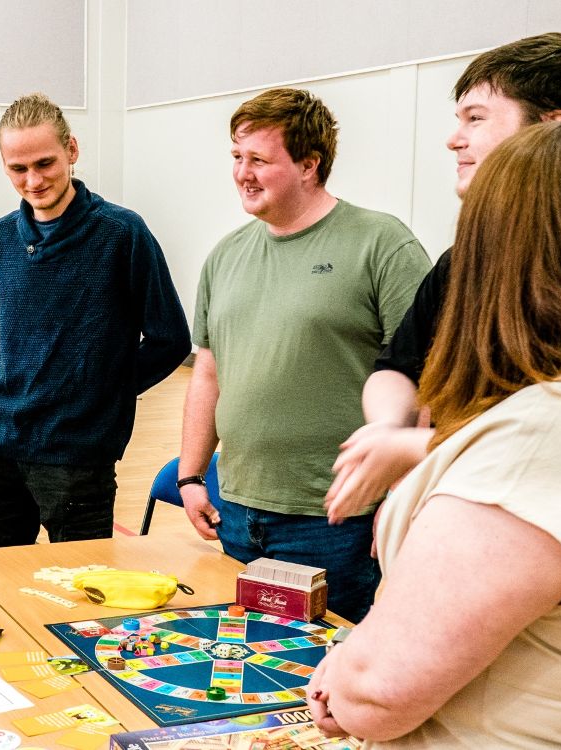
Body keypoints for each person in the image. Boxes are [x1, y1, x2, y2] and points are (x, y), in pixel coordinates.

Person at [306, 119, 561, 748]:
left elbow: (375, 692)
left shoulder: (549, 432)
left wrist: (342, 671)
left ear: (492, 259)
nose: (455, 137)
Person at [326, 33, 561, 520]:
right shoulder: (462, 262)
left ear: (552, 129)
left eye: (475, 118)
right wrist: (388, 431)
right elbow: (399, 367)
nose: (453, 139)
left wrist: (418, 448)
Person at [179, 88, 430, 622]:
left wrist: (403, 490)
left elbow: (429, 374)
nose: (243, 173)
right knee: (245, 665)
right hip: (237, 508)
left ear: (310, 165)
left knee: (319, 681)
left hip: (336, 517)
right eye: (237, 157)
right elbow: (208, 373)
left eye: (260, 160)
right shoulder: (226, 255)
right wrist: (192, 476)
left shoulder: (381, 244)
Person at [0, 92, 191, 549]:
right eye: (18, 169)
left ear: (72, 150)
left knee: (79, 598)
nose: (33, 180)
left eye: (45, 163)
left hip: (78, 458)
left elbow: (171, 339)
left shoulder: (122, 234)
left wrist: (100, 391)